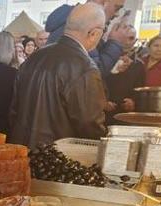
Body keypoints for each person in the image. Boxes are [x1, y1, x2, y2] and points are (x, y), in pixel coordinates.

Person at [10, 3, 108, 149]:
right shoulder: (84, 67)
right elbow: (89, 125)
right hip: (57, 160)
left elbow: (14, 111)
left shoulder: (35, 57)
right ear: (93, 33)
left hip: (21, 151)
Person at [45, 0, 132, 75]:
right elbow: (92, 73)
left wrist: (113, 64)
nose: (117, 14)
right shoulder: (81, 27)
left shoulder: (73, 21)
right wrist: (115, 42)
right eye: (117, 8)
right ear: (101, 1)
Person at [105, 26, 144, 119]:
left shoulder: (139, 64)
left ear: (135, 41)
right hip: (102, 112)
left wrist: (133, 101)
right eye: (122, 38)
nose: (126, 42)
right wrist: (101, 101)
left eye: (131, 38)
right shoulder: (104, 59)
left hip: (125, 114)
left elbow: (140, 88)